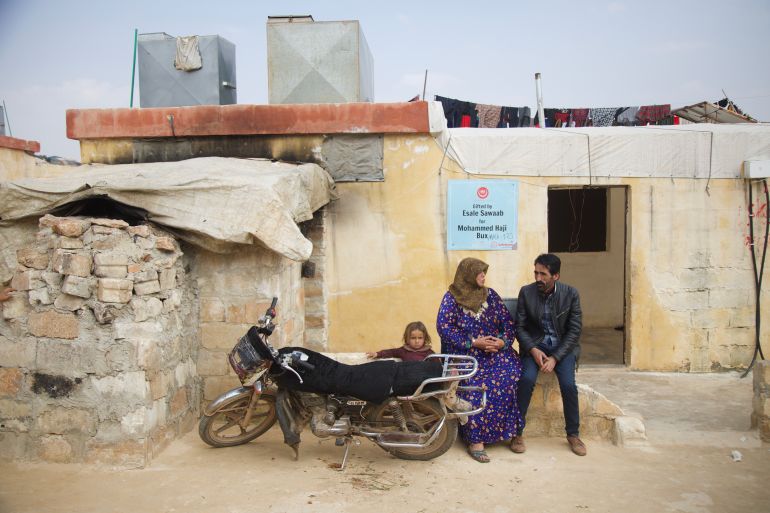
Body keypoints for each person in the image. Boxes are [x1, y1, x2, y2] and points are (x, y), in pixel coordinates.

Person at [436, 257, 523, 463]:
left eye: (484, 272)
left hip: (494, 352)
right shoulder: (451, 298)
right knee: (474, 383)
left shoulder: (490, 295)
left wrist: (502, 342)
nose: (484, 276)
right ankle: (476, 441)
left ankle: (510, 433)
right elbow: (444, 328)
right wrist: (473, 342)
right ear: (467, 275)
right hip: (466, 353)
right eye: (479, 272)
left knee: (510, 373)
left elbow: (508, 324)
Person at [513, 253, 586, 456]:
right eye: (536, 273)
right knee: (526, 380)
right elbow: (519, 327)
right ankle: (516, 433)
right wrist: (533, 349)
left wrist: (555, 358)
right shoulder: (526, 292)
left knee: (569, 385)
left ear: (556, 276)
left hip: (562, 349)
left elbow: (574, 331)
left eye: (543, 274)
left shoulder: (570, 294)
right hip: (534, 347)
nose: (538, 278)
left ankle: (573, 434)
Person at [366, 321, 435, 362]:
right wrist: (377, 354)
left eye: (420, 338)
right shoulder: (404, 351)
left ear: (425, 338)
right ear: (407, 338)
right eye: (413, 338)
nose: (417, 341)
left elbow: (437, 367)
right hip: (407, 378)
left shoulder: (429, 353)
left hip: (424, 379)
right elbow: (391, 352)